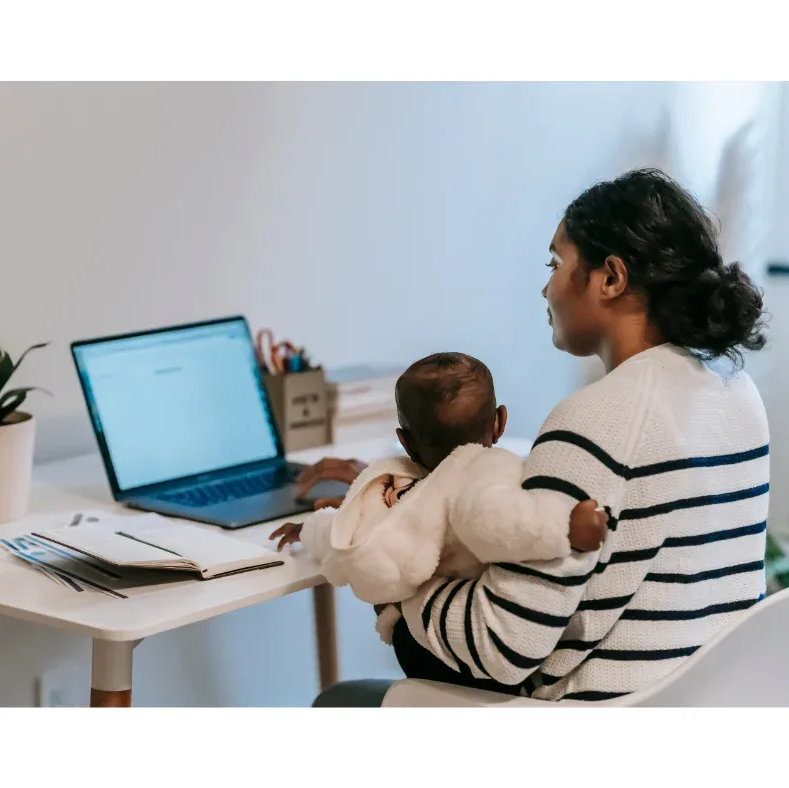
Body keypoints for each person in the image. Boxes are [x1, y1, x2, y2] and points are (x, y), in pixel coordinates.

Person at [301, 168, 770, 706]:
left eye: (555, 264)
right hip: (705, 712)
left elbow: (502, 646)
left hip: (590, 725)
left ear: (610, 278)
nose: (546, 288)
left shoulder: (595, 418)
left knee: (341, 701)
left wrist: (388, 557)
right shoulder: (735, 391)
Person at [271, 353, 607, 646]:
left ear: (405, 442)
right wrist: (567, 526)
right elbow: (505, 523)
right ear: (499, 422)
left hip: (428, 643)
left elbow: (347, 540)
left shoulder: (401, 498)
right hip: (456, 637)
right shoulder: (489, 476)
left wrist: (309, 529)